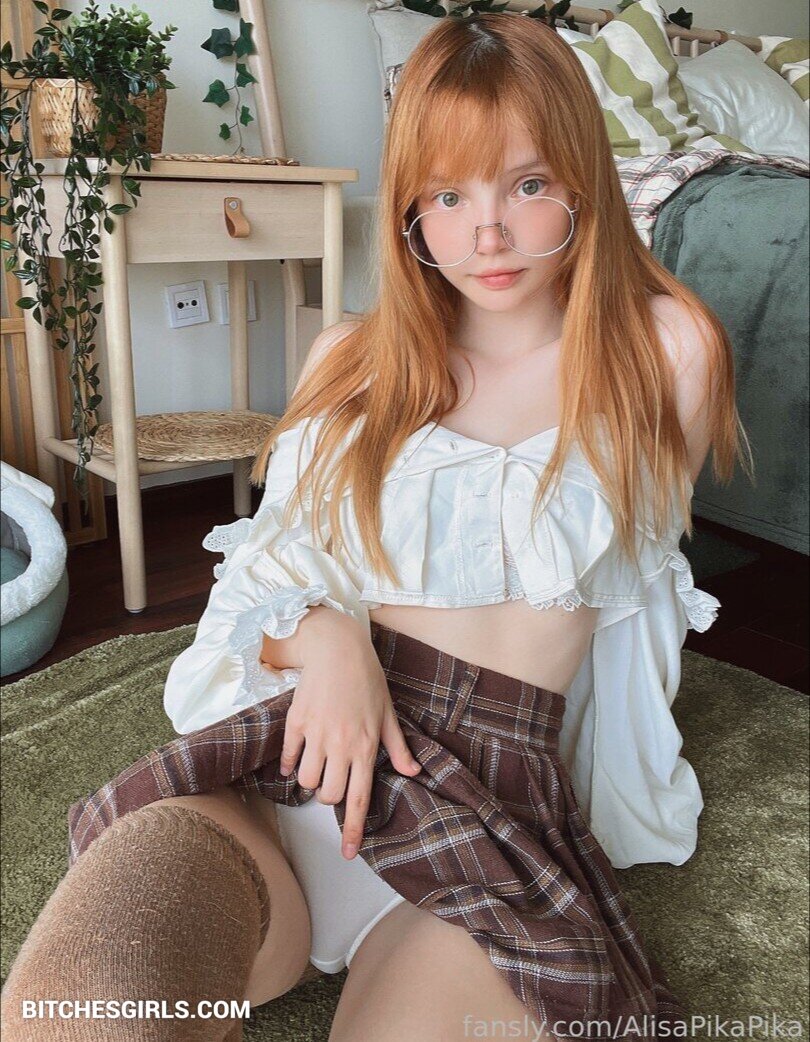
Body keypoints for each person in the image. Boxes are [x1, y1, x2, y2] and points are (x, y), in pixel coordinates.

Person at [1, 13, 748, 1042]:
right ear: (409, 210)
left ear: (585, 180)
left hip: (486, 813)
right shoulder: (347, 358)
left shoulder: (662, 350)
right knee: (87, 1004)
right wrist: (328, 641)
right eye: (447, 195)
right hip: (287, 752)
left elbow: (628, 593)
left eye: (528, 183)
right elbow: (260, 579)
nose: (487, 233)